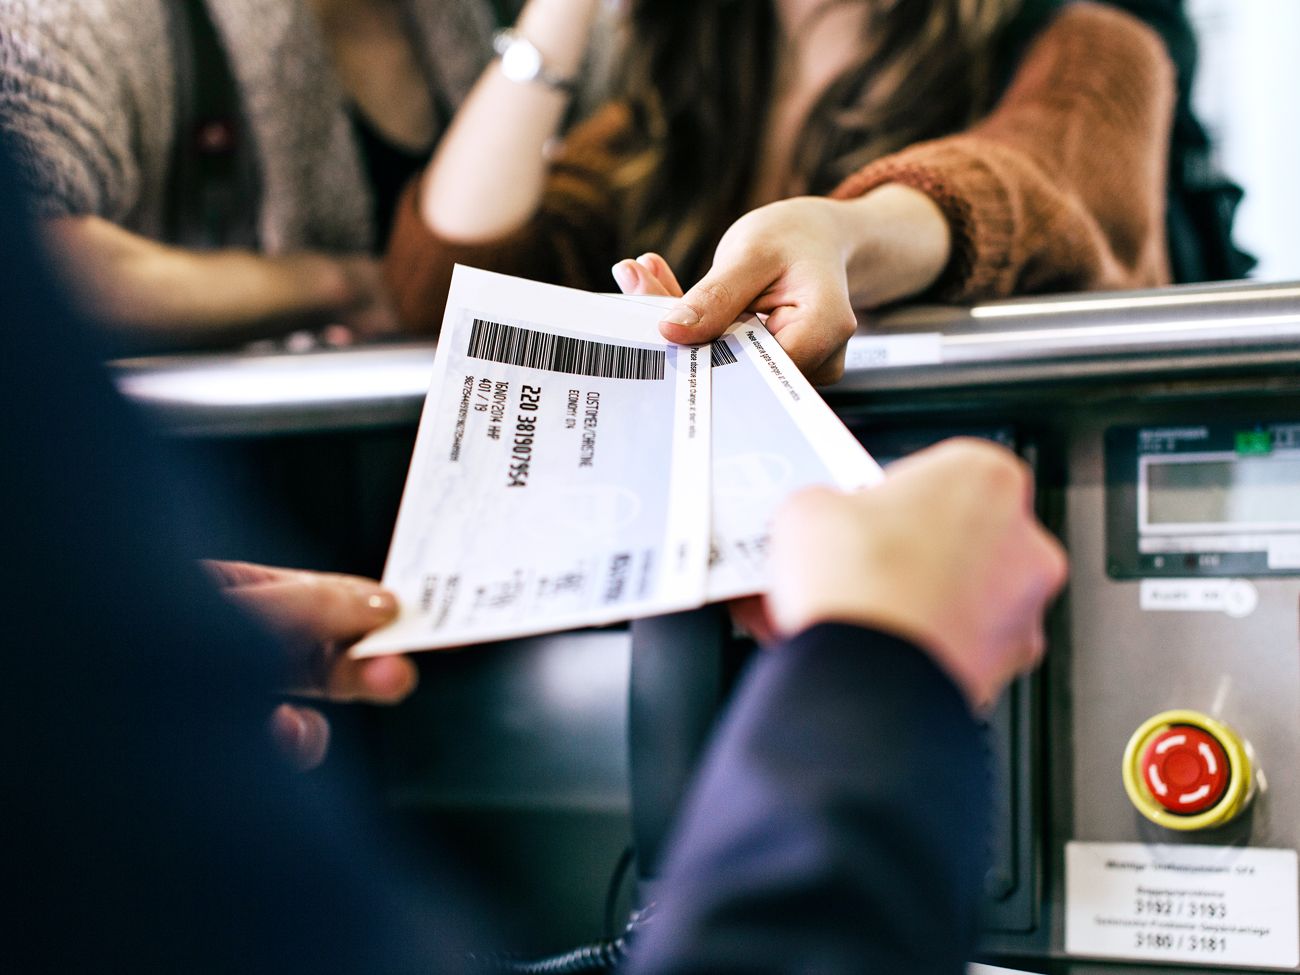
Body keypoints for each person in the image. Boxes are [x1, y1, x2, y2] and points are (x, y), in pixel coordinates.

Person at [3, 132, 1068, 970]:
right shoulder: (646, 105)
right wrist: (877, 675)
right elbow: (440, 273)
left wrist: (849, 229)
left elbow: (1056, 178)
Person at [386, 0, 1175, 383]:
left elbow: (1027, 184)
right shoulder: (685, 91)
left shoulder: (1090, 49)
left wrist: (842, 235)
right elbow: (447, 280)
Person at [0, 0, 506, 349]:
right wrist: (339, 287)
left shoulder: (489, 19)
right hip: (218, 464)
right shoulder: (79, 17)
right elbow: (31, 259)